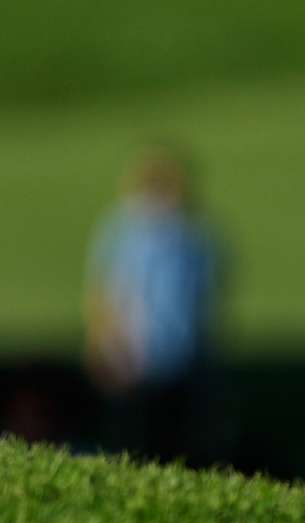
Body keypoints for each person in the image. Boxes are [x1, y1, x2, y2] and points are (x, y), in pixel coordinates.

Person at [83, 144, 223, 465]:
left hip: (183, 357)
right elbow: (107, 292)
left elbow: (204, 301)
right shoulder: (124, 230)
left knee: (182, 444)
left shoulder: (197, 236)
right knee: (132, 445)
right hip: (135, 358)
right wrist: (105, 346)